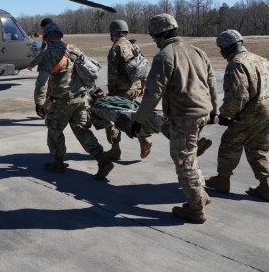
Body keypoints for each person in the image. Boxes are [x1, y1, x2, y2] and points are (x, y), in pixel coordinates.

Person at [131, 14, 218, 224]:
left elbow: (152, 94)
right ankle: (201, 196)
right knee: (190, 155)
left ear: (159, 35)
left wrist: (138, 120)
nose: (154, 41)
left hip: (184, 116)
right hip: (203, 114)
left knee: (183, 161)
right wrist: (215, 111)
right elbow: (212, 82)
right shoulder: (198, 51)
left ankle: (196, 208)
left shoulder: (165, 56)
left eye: (154, 37)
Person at [204, 30, 269, 202]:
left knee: (229, 144)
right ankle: (265, 186)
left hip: (252, 114)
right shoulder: (261, 59)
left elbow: (238, 95)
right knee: (258, 149)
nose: (221, 52)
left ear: (227, 48)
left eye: (221, 49)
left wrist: (226, 115)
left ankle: (222, 180)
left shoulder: (236, 64)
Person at [34, 22, 114, 179]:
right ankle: (103, 160)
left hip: (61, 101)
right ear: (60, 35)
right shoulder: (74, 50)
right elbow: (87, 72)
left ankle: (58, 163)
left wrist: (39, 102)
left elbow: (42, 81)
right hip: (81, 98)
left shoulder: (49, 53)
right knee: (82, 131)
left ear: (47, 37)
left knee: (54, 131)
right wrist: (94, 90)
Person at [105, 20, 151, 161]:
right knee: (131, 116)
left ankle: (115, 150)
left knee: (112, 119)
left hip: (121, 90)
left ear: (114, 33)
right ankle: (143, 137)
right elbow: (142, 66)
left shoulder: (116, 48)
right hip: (134, 88)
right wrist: (142, 86)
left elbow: (112, 75)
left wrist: (111, 96)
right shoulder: (133, 46)